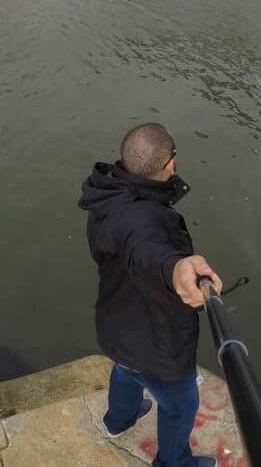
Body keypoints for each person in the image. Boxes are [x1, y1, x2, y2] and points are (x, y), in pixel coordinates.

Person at [80, 123, 223, 467]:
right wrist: (177, 271)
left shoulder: (106, 197)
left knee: (126, 370)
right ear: (169, 164)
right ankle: (175, 463)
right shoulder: (149, 221)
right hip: (158, 345)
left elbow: (136, 252)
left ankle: (119, 420)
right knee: (180, 406)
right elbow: (150, 252)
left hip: (116, 326)